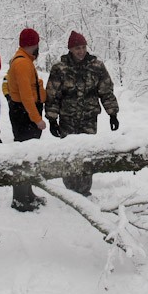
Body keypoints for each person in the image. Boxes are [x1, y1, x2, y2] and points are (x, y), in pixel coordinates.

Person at [45, 31, 120, 196]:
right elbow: (52, 95)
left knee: (87, 154)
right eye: (77, 48)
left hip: (89, 118)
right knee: (69, 155)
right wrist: (52, 119)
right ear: (70, 49)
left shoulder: (97, 66)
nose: (81, 51)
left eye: (83, 47)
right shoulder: (60, 68)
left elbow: (106, 91)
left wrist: (112, 113)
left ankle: (85, 190)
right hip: (67, 119)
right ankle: (71, 192)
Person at [5, 28, 48, 212]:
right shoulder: (22, 63)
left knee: (27, 156)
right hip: (24, 115)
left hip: (23, 114)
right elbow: (26, 96)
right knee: (24, 157)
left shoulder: (23, 60)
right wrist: (37, 119)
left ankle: (27, 194)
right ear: (33, 45)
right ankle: (21, 199)